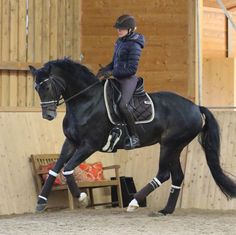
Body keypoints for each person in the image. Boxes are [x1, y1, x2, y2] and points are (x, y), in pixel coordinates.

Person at [97, 14, 145, 149]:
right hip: (117, 77)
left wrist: (111, 73)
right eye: (118, 28)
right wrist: (105, 70)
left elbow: (131, 69)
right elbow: (115, 62)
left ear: (130, 30)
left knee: (122, 105)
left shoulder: (135, 45)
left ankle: (134, 137)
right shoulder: (120, 42)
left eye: (122, 28)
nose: (118, 31)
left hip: (128, 79)